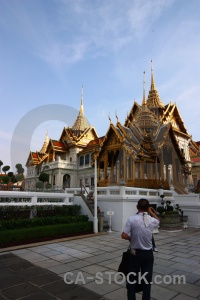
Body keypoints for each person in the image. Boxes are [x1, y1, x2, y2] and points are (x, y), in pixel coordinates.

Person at [121, 198, 160, 300]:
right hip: (148, 254)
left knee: (131, 279)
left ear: (137, 207)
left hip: (134, 253)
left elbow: (123, 235)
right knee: (147, 280)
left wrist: (130, 238)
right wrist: (151, 212)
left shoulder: (132, 219)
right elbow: (158, 221)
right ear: (147, 208)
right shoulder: (151, 220)